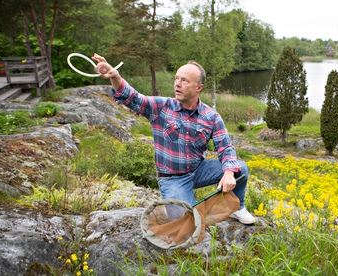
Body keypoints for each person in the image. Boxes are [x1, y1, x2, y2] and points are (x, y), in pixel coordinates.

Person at [91, 53, 255, 224]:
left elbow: (226, 148)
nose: (177, 83)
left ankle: (237, 207)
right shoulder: (161, 106)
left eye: (184, 80)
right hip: (172, 179)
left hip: (199, 171)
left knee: (239, 169)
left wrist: (228, 173)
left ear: (199, 87)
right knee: (188, 223)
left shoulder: (211, 116)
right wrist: (115, 76)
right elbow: (131, 97)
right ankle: (189, 208)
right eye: (176, 78)